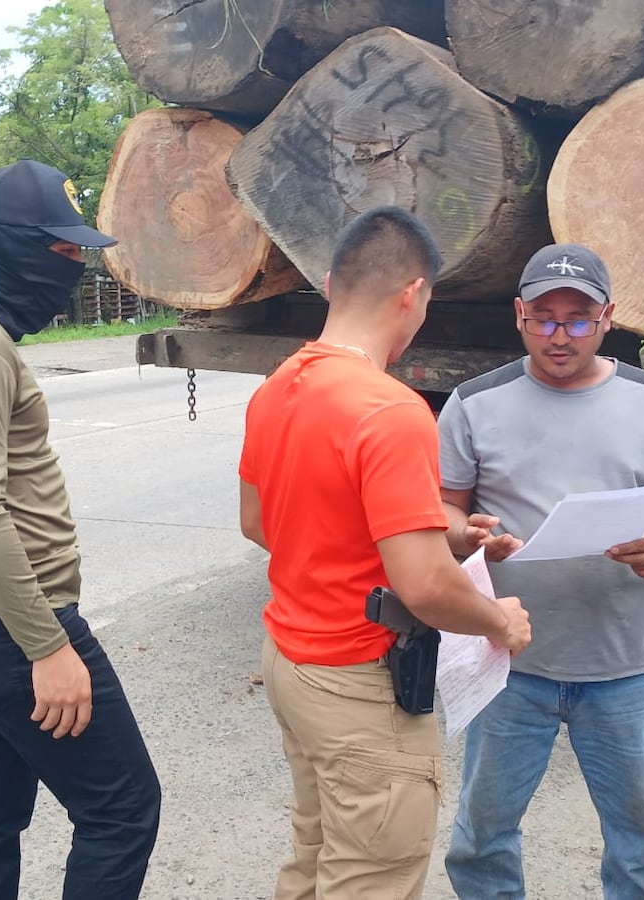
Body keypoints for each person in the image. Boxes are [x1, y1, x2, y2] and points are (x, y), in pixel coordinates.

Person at [238, 207, 533, 899]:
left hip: (293, 666)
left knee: (314, 860)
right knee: (370, 876)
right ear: (413, 294)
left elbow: (262, 521)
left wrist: (437, 531)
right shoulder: (391, 410)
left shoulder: (278, 387)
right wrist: (499, 623)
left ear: (334, 282)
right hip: (358, 684)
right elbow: (426, 588)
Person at [0, 159, 161, 900]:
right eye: (63, 250)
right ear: (12, 246)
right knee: (122, 808)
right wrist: (48, 646)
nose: (78, 266)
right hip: (11, 627)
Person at [438, 243, 644, 899]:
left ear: (609, 316)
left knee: (640, 849)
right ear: (519, 315)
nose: (561, 335)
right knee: (481, 840)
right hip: (508, 665)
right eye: (545, 318)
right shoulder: (475, 403)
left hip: (623, 666)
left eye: (579, 319)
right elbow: (441, 511)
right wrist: (467, 534)